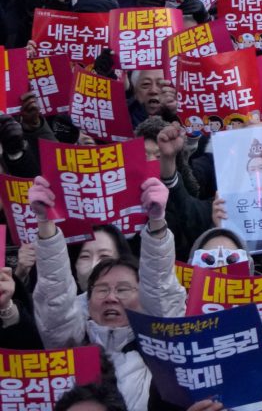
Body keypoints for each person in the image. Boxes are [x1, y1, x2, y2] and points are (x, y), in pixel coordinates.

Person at [30, 174, 185, 411]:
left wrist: (156, 223)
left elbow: (161, 289)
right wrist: (46, 225)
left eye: (123, 289)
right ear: (87, 300)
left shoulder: (160, 354)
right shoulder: (69, 348)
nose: (111, 297)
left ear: (144, 298)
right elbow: (56, 297)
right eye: (101, 289)